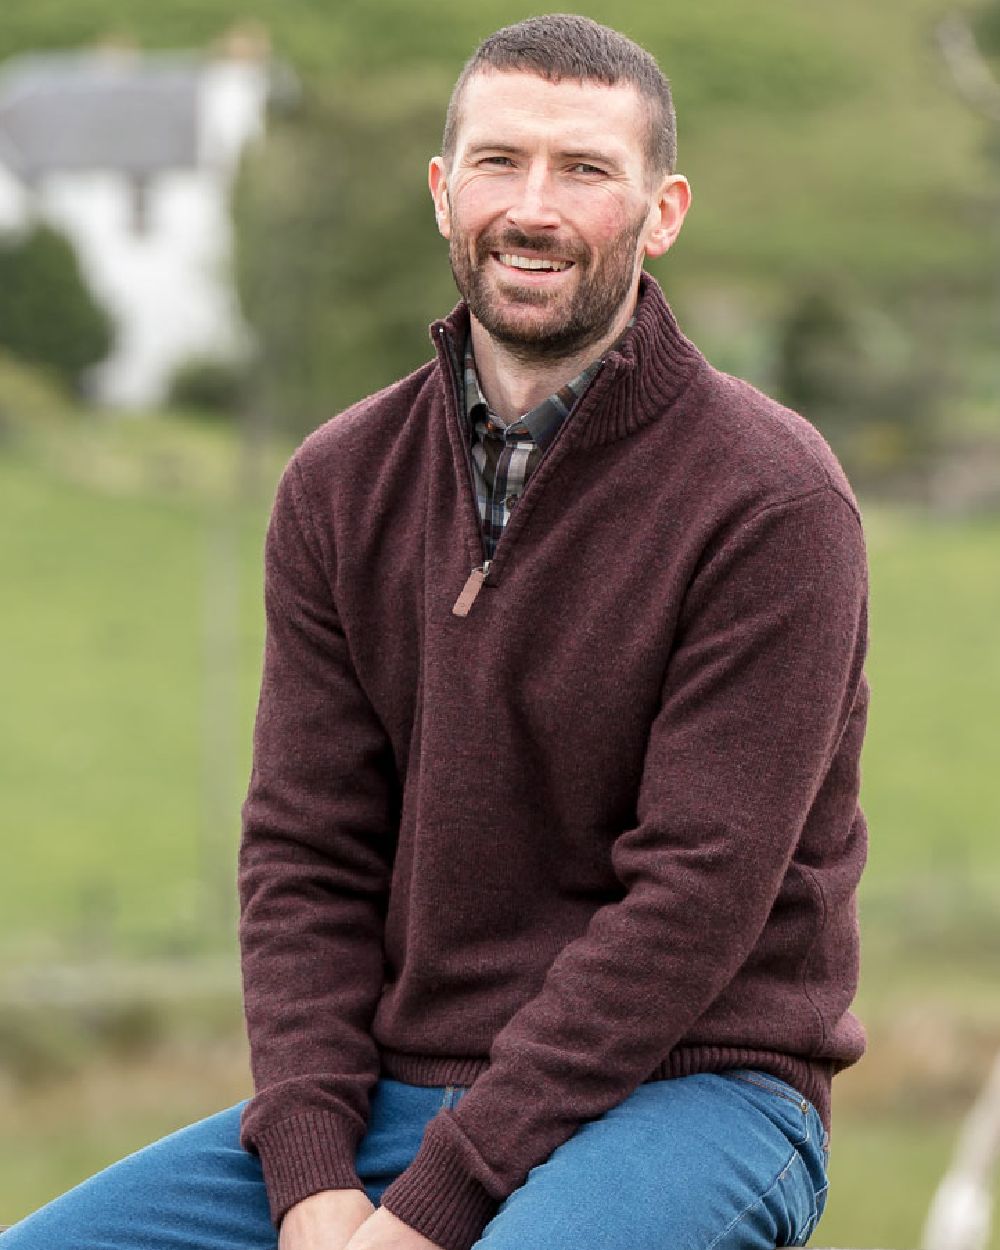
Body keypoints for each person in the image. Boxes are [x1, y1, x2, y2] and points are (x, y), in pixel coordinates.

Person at [1, 14, 869, 1250]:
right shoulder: (337, 482)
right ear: (441, 190)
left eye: (583, 170)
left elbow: (692, 901)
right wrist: (309, 1180)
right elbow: (304, 853)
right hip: (391, 1100)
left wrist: (431, 1211)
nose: (533, 207)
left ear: (662, 210)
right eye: (499, 162)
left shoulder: (772, 499)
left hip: (694, 1087)